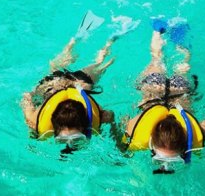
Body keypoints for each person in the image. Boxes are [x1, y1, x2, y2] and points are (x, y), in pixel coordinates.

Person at [120, 19, 205, 173]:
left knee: (176, 65)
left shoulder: (202, 135)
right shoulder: (199, 137)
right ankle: (159, 31)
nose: (165, 167)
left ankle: (162, 31)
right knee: (158, 60)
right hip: (156, 89)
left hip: (175, 90)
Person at [21, 12, 140, 150]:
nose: (69, 145)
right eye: (62, 140)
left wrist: (33, 95)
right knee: (97, 64)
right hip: (75, 84)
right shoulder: (33, 122)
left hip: (55, 84)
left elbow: (26, 97)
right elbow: (26, 97)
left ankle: (105, 41)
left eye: (77, 139)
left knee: (100, 64)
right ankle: (83, 41)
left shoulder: (35, 121)